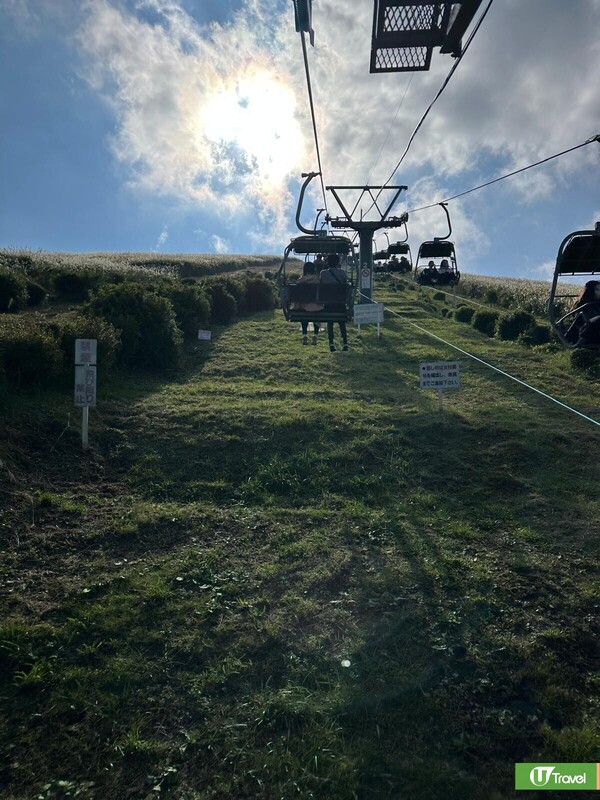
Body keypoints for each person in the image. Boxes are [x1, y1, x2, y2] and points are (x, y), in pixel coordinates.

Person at [319, 253, 348, 352]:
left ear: (327, 262)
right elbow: (346, 285)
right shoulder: (342, 273)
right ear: (338, 262)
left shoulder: (323, 273)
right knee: (341, 322)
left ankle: (331, 344)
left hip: (329, 304)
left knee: (330, 322)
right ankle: (345, 343)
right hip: (340, 303)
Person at [294, 261, 323, 344]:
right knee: (317, 316)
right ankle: (315, 335)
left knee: (304, 316)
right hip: (316, 306)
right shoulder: (317, 280)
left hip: (304, 306)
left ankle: (304, 335)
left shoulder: (301, 280)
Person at [565, 280, 600, 345]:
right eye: (597, 290)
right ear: (590, 291)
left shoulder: (597, 304)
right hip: (585, 333)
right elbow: (583, 323)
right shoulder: (583, 305)